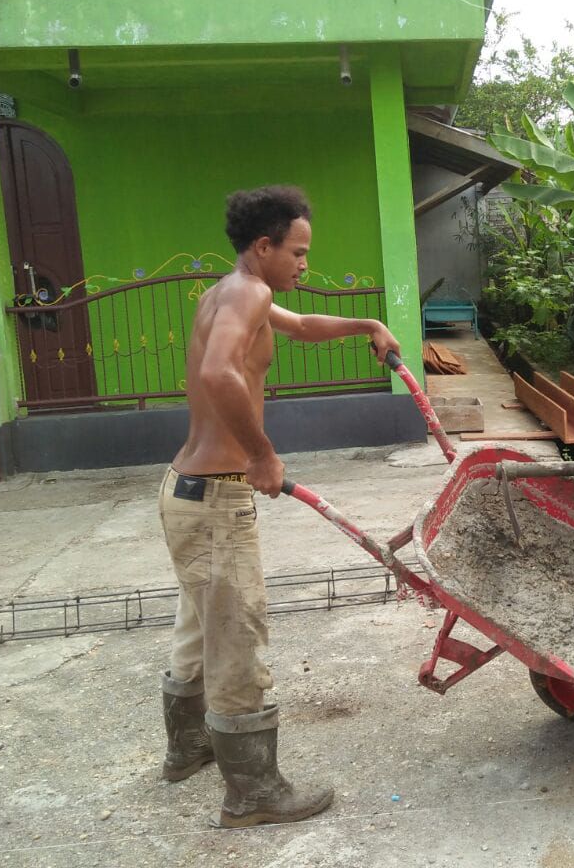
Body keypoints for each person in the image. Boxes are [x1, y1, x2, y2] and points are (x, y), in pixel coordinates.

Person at [157, 185, 400, 827]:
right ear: (263, 247)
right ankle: (253, 795)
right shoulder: (248, 292)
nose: (303, 264)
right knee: (236, 636)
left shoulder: (236, 291)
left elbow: (304, 326)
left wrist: (367, 324)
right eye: (296, 252)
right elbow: (217, 374)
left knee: (201, 625)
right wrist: (261, 453)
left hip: (187, 493)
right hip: (216, 498)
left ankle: (188, 749)